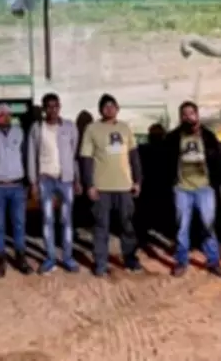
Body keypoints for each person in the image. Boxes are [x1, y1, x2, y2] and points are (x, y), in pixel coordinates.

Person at [80, 93, 143, 276]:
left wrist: (138, 181)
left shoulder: (125, 128)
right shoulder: (92, 129)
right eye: (105, 106)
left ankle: (130, 259)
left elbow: (134, 157)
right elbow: (86, 159)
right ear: (100, 110)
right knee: (101, 227)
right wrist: (89, 185)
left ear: (117, 108)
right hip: (102, 188)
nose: (109, 109)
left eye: (112, 106)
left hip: (125, 187)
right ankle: (100, 263)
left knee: (127, 225)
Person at [164, 101, 221, 277]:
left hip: (204, 188)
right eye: (184, 114)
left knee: (208, 225)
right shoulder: (173, 137)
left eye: (191, 113)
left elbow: (217, 161)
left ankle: (213, 261)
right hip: (182, 189)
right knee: (182, 227)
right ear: (180, 117)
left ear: (197, 115)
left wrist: (215, 182)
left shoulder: (208, 136)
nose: (188, 117)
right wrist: (172, 182)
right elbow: (166, 162)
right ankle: (181, 261)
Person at [27, 93, 81, 274]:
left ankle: (68, 258)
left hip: (65, 180)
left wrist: (77, 179)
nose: (53, 110)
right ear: (44, 109)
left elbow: (73, 155)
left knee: (66, 220)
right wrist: (33, 182)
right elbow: (31, 155)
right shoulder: (37, 128)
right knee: (47, 219)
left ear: (60, 107)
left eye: (55, 106)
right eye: (49, 106)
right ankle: (50, 258)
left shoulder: (70, 127)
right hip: (45, 179)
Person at [0, 103, 33, 277]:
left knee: (19, 224)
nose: (5, 116)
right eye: (1, 114)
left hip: (17, 186)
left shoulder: (19, 132)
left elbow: (26, 158)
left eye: (8, 113)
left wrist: (28, 183)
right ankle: (0, 259)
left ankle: (21, 257)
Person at [136, 123, 169, 250]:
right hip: (161, 185)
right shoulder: (167, 149)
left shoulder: (143, 149)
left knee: (145, 214)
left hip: (148, 184)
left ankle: (143, 237)